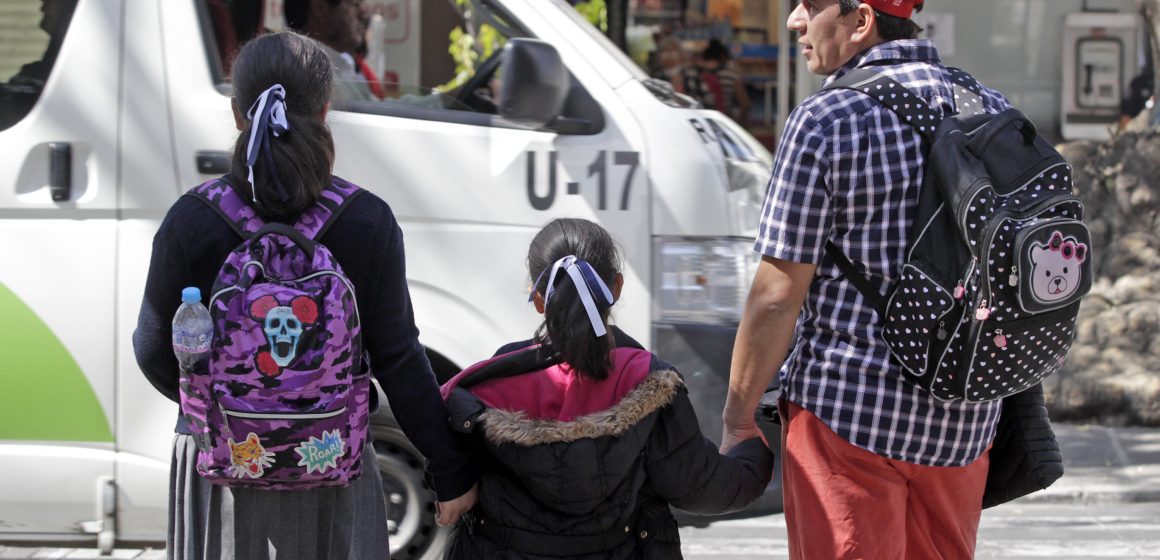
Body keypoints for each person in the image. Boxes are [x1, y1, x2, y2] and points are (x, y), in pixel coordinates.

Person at [132, 31, 476, 560]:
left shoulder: (191, 220)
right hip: (330, 460)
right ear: (325, 107)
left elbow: (154, 348)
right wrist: (449, 468)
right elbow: (400, 359)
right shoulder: (367, 219)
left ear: (236, 112)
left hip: (224, 467)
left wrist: (228, 412)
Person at [721, 1, 1009, 558]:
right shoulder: (990, 109)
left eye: (809, 5)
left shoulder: (826, 119)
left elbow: (778, 296)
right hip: (963, 422)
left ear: (861, 21)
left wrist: (737, 418)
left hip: (848, 419)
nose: (794, 21)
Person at [440, 218, 774, 559]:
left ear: (538, 298)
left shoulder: (487, 385)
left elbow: (445, 463)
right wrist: (754, 455)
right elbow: (700, 487)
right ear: (616, 287)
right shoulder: (648, 381)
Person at [283, 0, 377, 103]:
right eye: (354, 4)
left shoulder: (342, 67)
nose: (363, 15)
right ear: (321, 8)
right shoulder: (303, 83)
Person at [697, 38, 751, 124]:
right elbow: (745, 103)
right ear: (723, 56)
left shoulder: (697, 72)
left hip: (701, 120)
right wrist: (739, 122)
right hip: (723, 119)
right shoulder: (732, 73)